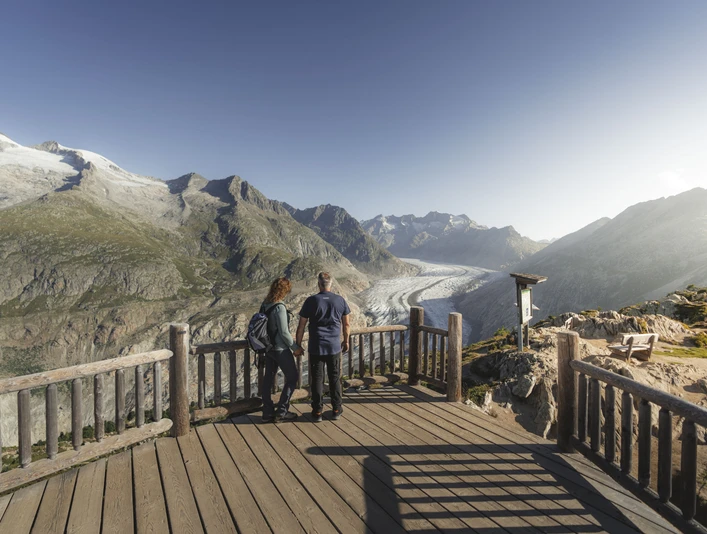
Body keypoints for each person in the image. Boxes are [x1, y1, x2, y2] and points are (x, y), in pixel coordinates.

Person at [296, 272, 350, 422]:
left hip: (316, 346)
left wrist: (298, 345)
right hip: (333, 346)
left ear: (319, 284)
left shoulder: (311, 301)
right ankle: (337, 409)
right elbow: (346, 324)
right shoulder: (340, 300)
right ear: (330, 284)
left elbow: (301, 326)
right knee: (334, 378)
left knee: (317, 379)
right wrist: (346, 341)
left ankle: (317, 411)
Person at [260, 277, 303, 423]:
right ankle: (282, 411)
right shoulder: (279, 307)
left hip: (268, 348)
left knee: (268, 379)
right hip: (280, 349)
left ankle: (267, 412)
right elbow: (284, 332)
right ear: (285, 291)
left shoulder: (265, 305)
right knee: (292, 378)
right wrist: (295, 348)